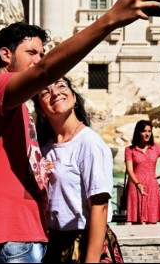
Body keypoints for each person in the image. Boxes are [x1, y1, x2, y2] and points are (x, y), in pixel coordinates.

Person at [0, 0, 160, 263]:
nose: (40, 60)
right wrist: (110, 20)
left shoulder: (17, 109)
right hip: (9, 233)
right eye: (32, 52)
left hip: (23, 233)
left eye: (42, 53)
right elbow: (46, 71)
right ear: (6, 55)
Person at [32, 77, 119, 263]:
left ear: (73, 97)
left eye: (61, 86)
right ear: (40, 110)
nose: (55, 92)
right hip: (55, 245)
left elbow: (100, 206)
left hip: (86, 244)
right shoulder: (44, 149)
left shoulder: (89, 143)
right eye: (45, 92)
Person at [124, 119, 160, 224]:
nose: (147, 134)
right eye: (144, 131)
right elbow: (130, 170)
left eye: (149, 131)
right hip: (135, 187)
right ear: (138, 132)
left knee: (152, 221)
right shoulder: (129, 150)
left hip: (152, 186)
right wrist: (138, 184)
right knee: (136, 222)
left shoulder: (156, 147)